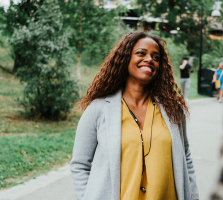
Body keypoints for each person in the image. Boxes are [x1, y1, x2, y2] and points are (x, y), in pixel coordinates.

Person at [70, 31, 199, 200]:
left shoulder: (172, 110)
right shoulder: (98, 109)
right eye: (141, 53)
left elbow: (186, 156)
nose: (149, 59)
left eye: (156, 57)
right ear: (125, 58)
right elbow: (80, 164)